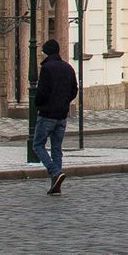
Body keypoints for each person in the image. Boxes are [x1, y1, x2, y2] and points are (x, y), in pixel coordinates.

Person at [33, 38, 80, 195]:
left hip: (47, 114)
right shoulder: (68, 67)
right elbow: (74, 89)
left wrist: (39, 104)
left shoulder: (47, 68)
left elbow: (42, 92)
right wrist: (65, 102)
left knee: (38, 145)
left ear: (46, 52)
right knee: (56, 148)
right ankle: (56, 184)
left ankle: (54, 172)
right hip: (62, 114)